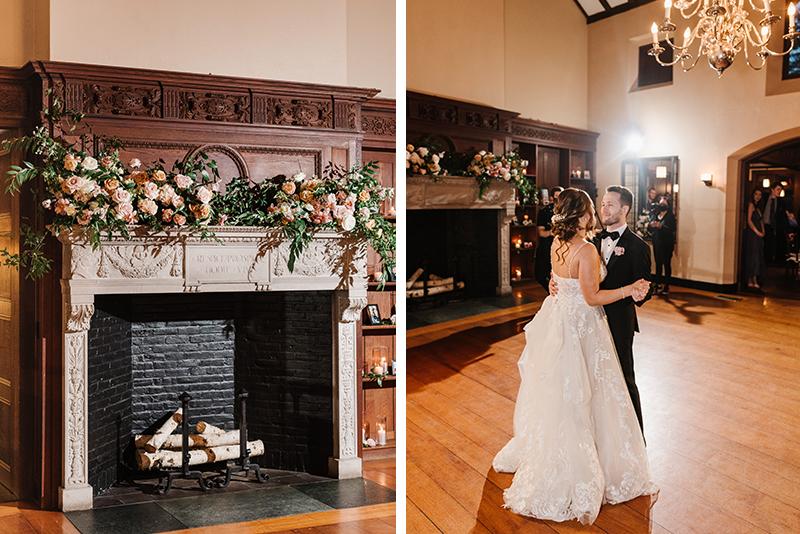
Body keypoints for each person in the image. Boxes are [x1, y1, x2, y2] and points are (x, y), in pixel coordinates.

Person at [493, 188, 656, 525]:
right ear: (582, 216)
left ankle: (612, 446)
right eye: (594, 208)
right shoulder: (586, 249)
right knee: (589, 391)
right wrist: (627, 288)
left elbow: (559, 277)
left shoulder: (557, 243)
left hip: (569, 323)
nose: (599, 211)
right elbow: (592, 296)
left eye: (607, 204)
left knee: (580, 391)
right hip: (585, 325)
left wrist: (559, 285)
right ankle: (598, 463)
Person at [551, 185, 654, 432]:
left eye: (610, 204)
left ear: (625, 209)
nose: (603, 208)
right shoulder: (588, 239)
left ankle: (635, 436)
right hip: (585, 322)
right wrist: (554, 282)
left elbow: (644, 285)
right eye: (602, 204)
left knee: (624, 378)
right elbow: (568, 271)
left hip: (618, 321)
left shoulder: (639, 246)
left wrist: (641, 292)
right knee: (587, 381)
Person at [534, 186, 563, 292]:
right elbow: (541, 233)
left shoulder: (566, 212)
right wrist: (553, 232)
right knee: (540, 275)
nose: (558, 200)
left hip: (562, 247)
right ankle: (551, 292)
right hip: (546, 246)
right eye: (556, 197)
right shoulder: (544, 212)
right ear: (551, 198)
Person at [649, 196, 676, 295]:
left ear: (667, 205)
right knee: (658, 264)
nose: (662, 205)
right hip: (657, 243)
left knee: (666, 264)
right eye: (661, 203)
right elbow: (650, 228)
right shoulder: (656, 214)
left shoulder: (670, 216)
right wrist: (651, 225)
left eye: (664, 204)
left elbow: (672, 229)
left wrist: (661, 227)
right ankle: (657, 284)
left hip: (667, 244)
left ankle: (667, 286)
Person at [744, 189, 766, 289]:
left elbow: (761, 221)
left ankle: (755, 279)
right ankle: (750, 279)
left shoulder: (759, 208)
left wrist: (763, 231)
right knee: (752, 256)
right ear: (753, 195)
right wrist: (757, 231)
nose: (758, 196)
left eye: (760, 195)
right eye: (756, 194)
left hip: (759, 235)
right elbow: (748, 220)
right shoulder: (751, 205)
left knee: (758, 256)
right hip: (752, 234)